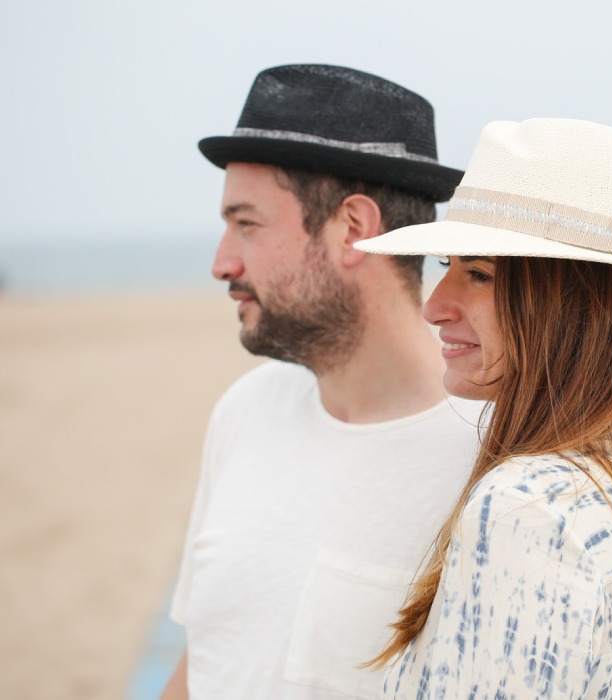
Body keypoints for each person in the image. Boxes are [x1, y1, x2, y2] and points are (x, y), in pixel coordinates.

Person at [355, 118, 612, 697]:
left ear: (573, 305)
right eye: (446, 267)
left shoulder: (529, 507)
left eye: (479, 273)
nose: (437, 306)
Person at [162, 65, 483, 700]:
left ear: (353, 229)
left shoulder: (491, 457)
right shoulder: (244, 413)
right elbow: (209, 657)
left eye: (246, 223)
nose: (222, 262)